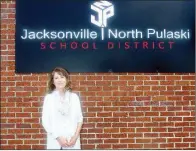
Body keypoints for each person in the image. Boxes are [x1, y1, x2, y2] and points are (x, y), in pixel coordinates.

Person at [42, 67, 83, 149]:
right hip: (55, 141)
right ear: (53, 81)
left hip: (72, 141)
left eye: (62, 77)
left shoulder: (74, 97)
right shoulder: (49, 98)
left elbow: (80, 119)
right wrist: (58, 137)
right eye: (56, 78)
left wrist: (75, 137)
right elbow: (45, 121)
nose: (59, 80)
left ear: (66, 79)